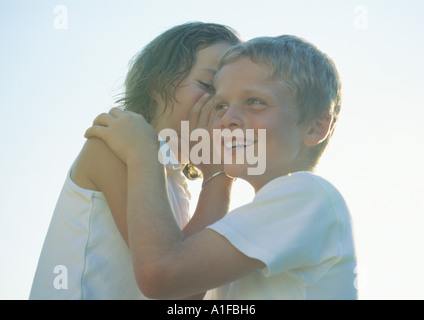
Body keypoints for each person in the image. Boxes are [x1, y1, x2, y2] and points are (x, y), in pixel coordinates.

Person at [84, 35, 357, 300]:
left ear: (314, 127)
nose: (228, 118)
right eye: (221, 105)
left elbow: (162, 274)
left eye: (255, 102)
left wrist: (143, 153)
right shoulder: (253, 228)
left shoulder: (307, 195)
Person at [29, 22, 240, 300]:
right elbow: (181, 288)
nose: (219, 106)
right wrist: (220, 178)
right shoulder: (114, 148)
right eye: (207, 85)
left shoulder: (177, 183)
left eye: (228, 97)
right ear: (158, 82)